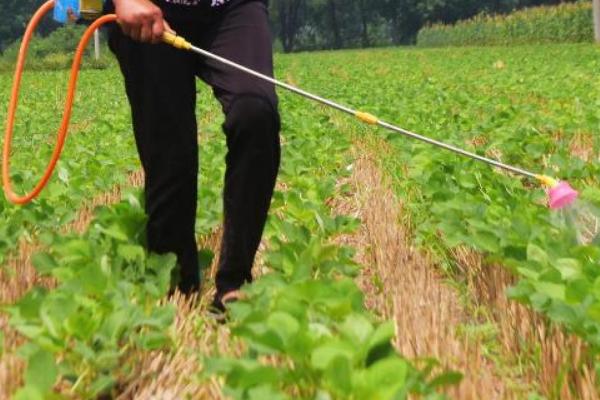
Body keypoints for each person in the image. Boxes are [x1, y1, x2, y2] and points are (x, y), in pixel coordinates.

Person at [105, 0, 281, 312]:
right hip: (148, 8)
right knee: (169, 153)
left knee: (255, 113)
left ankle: (235, 284)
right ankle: (175, 289)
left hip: (231, 7)